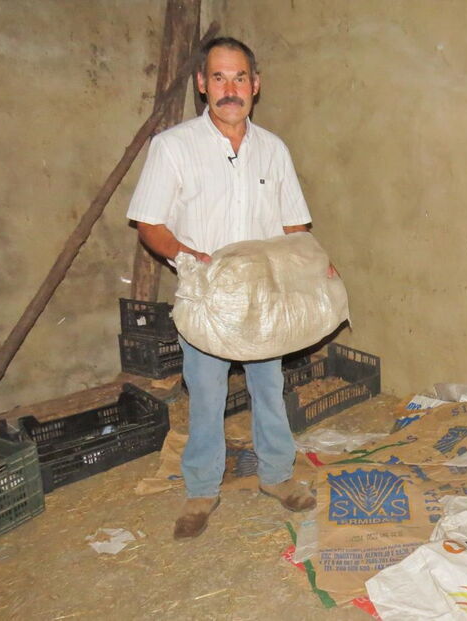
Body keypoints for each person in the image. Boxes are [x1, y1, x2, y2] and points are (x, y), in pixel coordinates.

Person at [127, 36, 324, 539]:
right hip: (206, 300)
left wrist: (314, 268)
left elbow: (294, 226)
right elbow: (150, 223)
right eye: (218, 77)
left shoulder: (273, 150)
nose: (229, 88)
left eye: (239, 78)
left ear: (255, 86)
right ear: (201, 84)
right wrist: (187, 257)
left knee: (269, 387)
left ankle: (277, 476)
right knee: (208, 393)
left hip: (263, 298)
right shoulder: (173, 147)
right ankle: (201, 489)